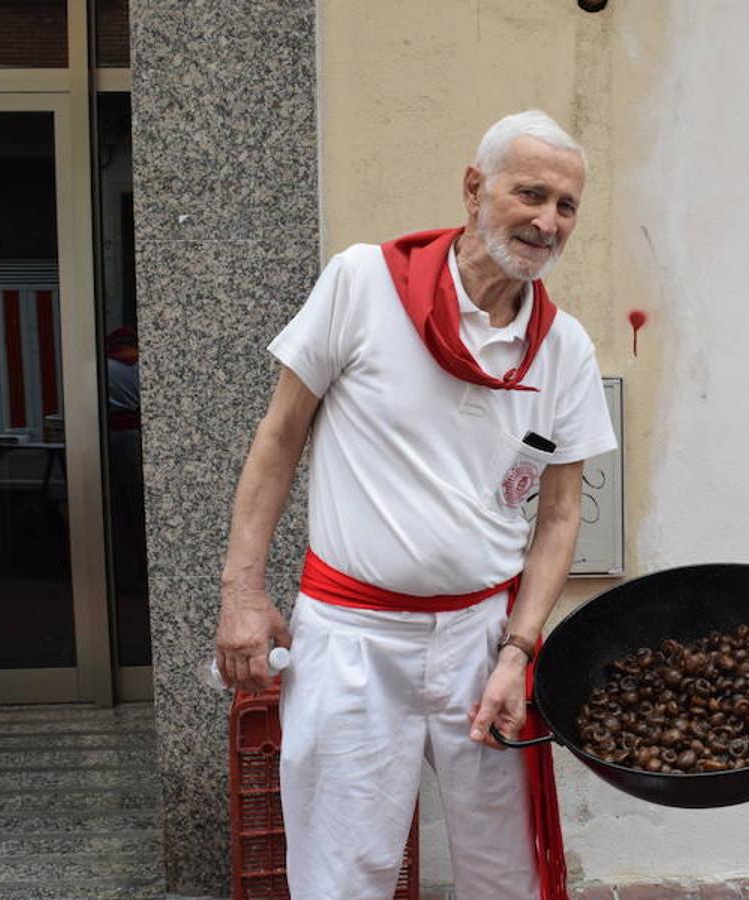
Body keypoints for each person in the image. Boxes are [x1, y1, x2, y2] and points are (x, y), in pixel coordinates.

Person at [214, 110, 616, 900]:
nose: (547, 221)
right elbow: (279, 435)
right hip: (352, 636)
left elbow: (560, 516)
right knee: (342, 873)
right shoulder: (364, 282)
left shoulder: (564, 348)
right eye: (530, 193)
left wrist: (518, 650)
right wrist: (242, 592)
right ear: (474, 189)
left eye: (566, 206)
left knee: (508, 872)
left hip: (483, 641)